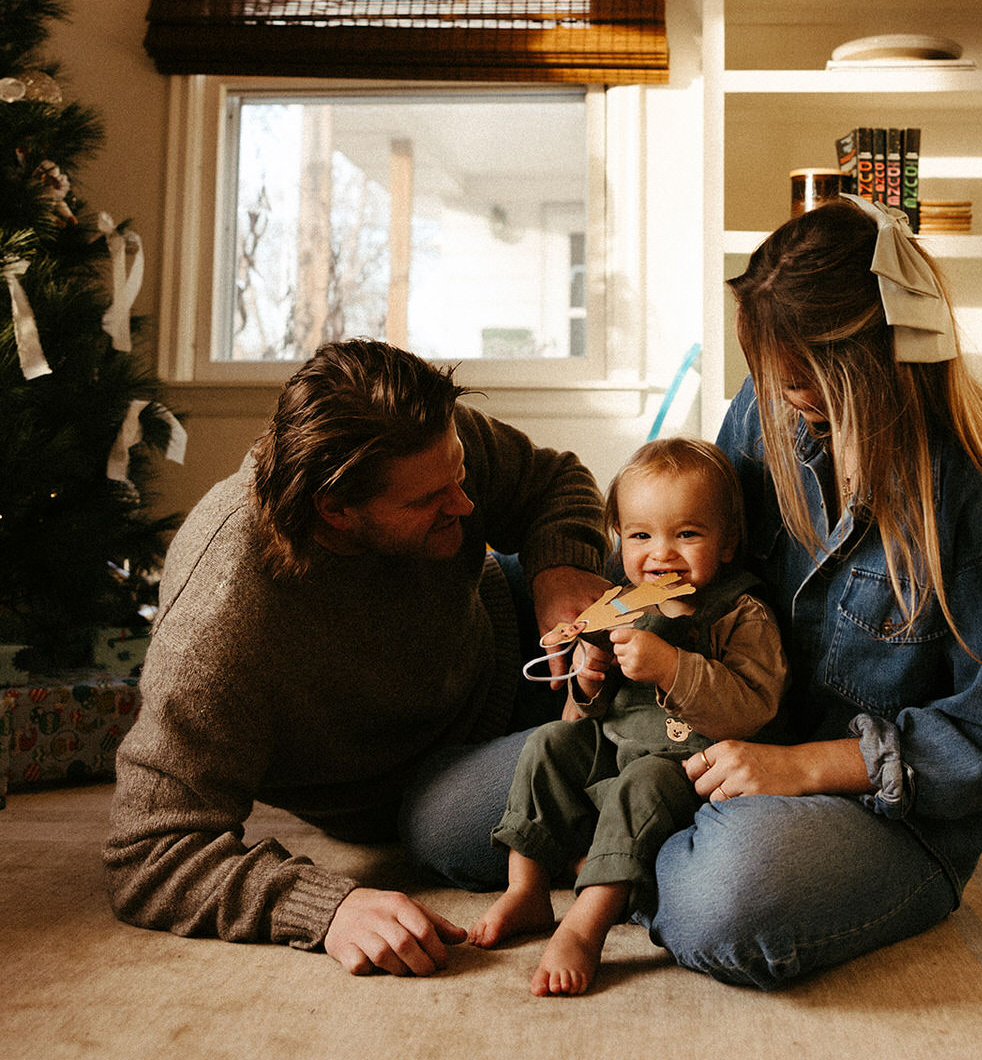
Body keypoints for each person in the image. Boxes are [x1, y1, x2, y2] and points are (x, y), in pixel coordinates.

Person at [642, 196, 982, 989]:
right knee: (456, 827)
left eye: (800, 379)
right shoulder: (770, 408)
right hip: (730, 738)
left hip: (893, 812)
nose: (777, 393)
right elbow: (702, 567)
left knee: (724, 905)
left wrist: (801, 769)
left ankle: (629, 854)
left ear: (872, 365)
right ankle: (641, 842)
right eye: (771, 373)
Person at [104, 338, 611, 976]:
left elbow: (552, 478)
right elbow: (149, 853)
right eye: (430, 500)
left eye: (458, 475)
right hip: (420, 784)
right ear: (338, 510)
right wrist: (325, 908)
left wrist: (561, 568)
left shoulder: (426, 445)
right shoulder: (223, 615)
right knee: (458, 824)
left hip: (515, 634)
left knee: (677, 570)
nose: (464, 503)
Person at [468, 436, 788, 995]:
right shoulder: (625, 602)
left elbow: (753, 707)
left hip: (689, 770)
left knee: (642, 783)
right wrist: (591, 676)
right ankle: (526, 887)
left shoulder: (740, 612)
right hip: (616, 746)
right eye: (641, 536)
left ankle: (589, 920)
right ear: (619, 538)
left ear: (729, 542)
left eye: (687, 534)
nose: (660, 553)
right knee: (547, 743)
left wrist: (670, 666)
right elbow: (593, 708)